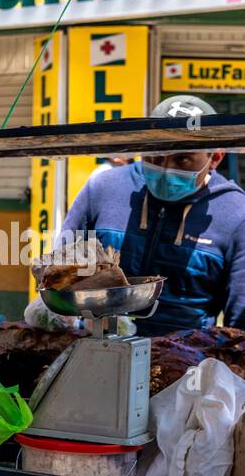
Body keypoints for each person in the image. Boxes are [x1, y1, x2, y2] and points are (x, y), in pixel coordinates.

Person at [60, 94, 245, 335]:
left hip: (184, 360)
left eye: (183, 159)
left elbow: (241, 317)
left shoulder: (236, 214)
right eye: (154, 154)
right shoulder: (102, 188)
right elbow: (60, 268)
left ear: (215, 158)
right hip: (96, 345)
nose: (165, 168)